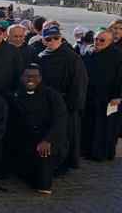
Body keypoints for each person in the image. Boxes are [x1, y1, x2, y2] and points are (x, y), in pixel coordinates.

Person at [36, 25, 88, 175]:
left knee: (65, 134)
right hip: (46, 104)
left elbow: (80, 82)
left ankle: (63, 164)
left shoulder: (72, 58)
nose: (52, 41)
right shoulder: (40, 58)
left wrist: (73, 104)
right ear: (44, 41)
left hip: (66, 103)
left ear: (60, 38)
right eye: (48, 39)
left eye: (55, 38)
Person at [9, 64, 69, 194]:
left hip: (47, 137)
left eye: (35, 76)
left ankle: (44, 185)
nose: (31, 79)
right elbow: (13, 123)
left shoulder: (52, 95)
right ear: (21, 78)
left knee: (46, 152)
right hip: (26, 138)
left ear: (41, 78)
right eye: (27, 76)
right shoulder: (16, 96)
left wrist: (48, 140)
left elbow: (60, 120)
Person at [80, 30, 122, 161]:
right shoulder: (88, 52)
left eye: (102, 40)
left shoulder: (117, 56)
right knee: (87, 125)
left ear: (110, 41)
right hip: (88, 96)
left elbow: (121, 78)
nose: (98, 42)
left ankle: (101, 154)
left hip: (107, 97)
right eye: (95, 39)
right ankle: (85, 150)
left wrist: (117, 96)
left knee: (103, 128)